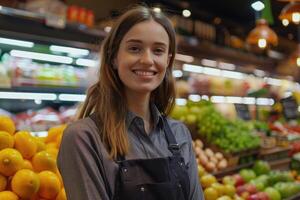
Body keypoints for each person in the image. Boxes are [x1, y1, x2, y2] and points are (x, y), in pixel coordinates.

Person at [57, 5, 203, 200]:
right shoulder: (83, 138)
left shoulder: (180, 134)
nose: (147, 60)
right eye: (135, 49)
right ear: (114, 57)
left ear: (168, 61)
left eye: (158, 51)